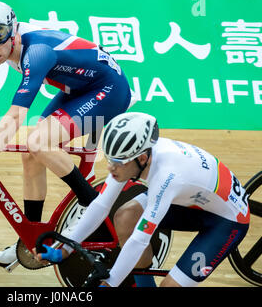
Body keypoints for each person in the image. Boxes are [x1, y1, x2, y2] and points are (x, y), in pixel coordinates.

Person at [0, 1, 132, 268]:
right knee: (31, 154)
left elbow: (16, 115)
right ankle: (32, 241)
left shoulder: (37, 51)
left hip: (108, 90)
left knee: (38, 141)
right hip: (79, 89)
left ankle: (93, 208)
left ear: (12, 29)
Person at [35, 112, 250, 287]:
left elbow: (140, 239)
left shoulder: (168, 176)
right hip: (192, 201)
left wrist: (110, 283)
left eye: (118, 162)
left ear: (142, 158)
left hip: (227, 221)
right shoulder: (133, 157)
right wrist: (65, 249)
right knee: (126, 216)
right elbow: (100, 205)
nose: (111, 168)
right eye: (110, 159)